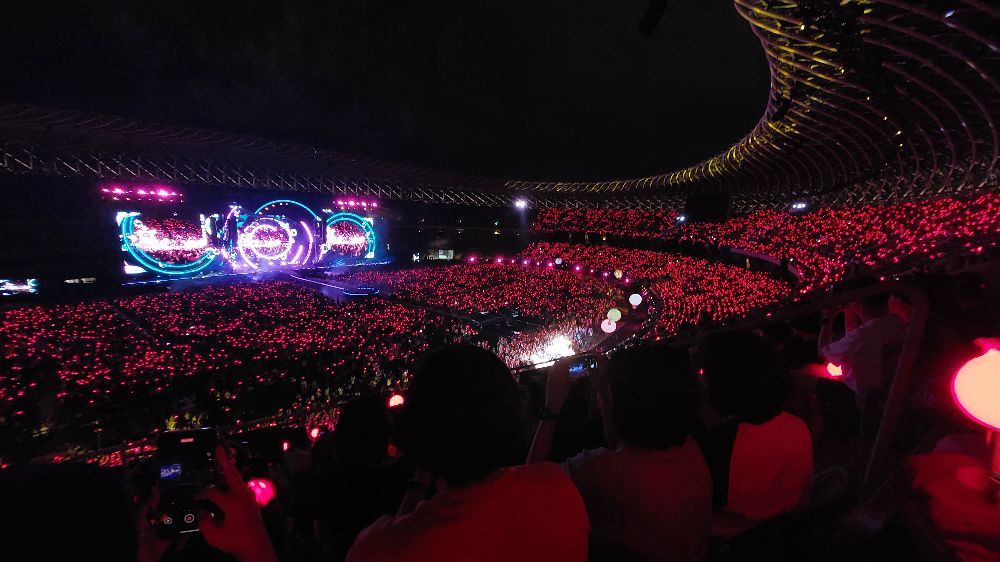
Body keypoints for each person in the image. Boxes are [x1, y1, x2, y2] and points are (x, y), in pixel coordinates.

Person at [347, 345, 589, 562]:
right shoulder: (559, 488)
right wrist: (551, 410)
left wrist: (420, 477)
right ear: (513, 417)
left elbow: (400, 537)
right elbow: (530, 479)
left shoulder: (376, 549)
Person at [528, 347, 711, 561]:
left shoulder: (601, 471)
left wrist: (551, 408)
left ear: (622, 403)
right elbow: (623, 442)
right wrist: (606, 394)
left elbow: (529, 487)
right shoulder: (691, 447)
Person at [697, 331, 813, 539]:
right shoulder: (797, 423)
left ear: (719, 384)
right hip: (789, 526)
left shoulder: (713, 447)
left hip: (735, 538)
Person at [819, 293, 907, 433]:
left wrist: (827, 320)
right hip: (899, 393)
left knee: (803, 374)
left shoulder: (863, 335)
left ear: (856, 304)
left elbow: (823, 353)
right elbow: (853, 340)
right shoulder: (900, 322)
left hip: (871, 402)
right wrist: (849, 313)